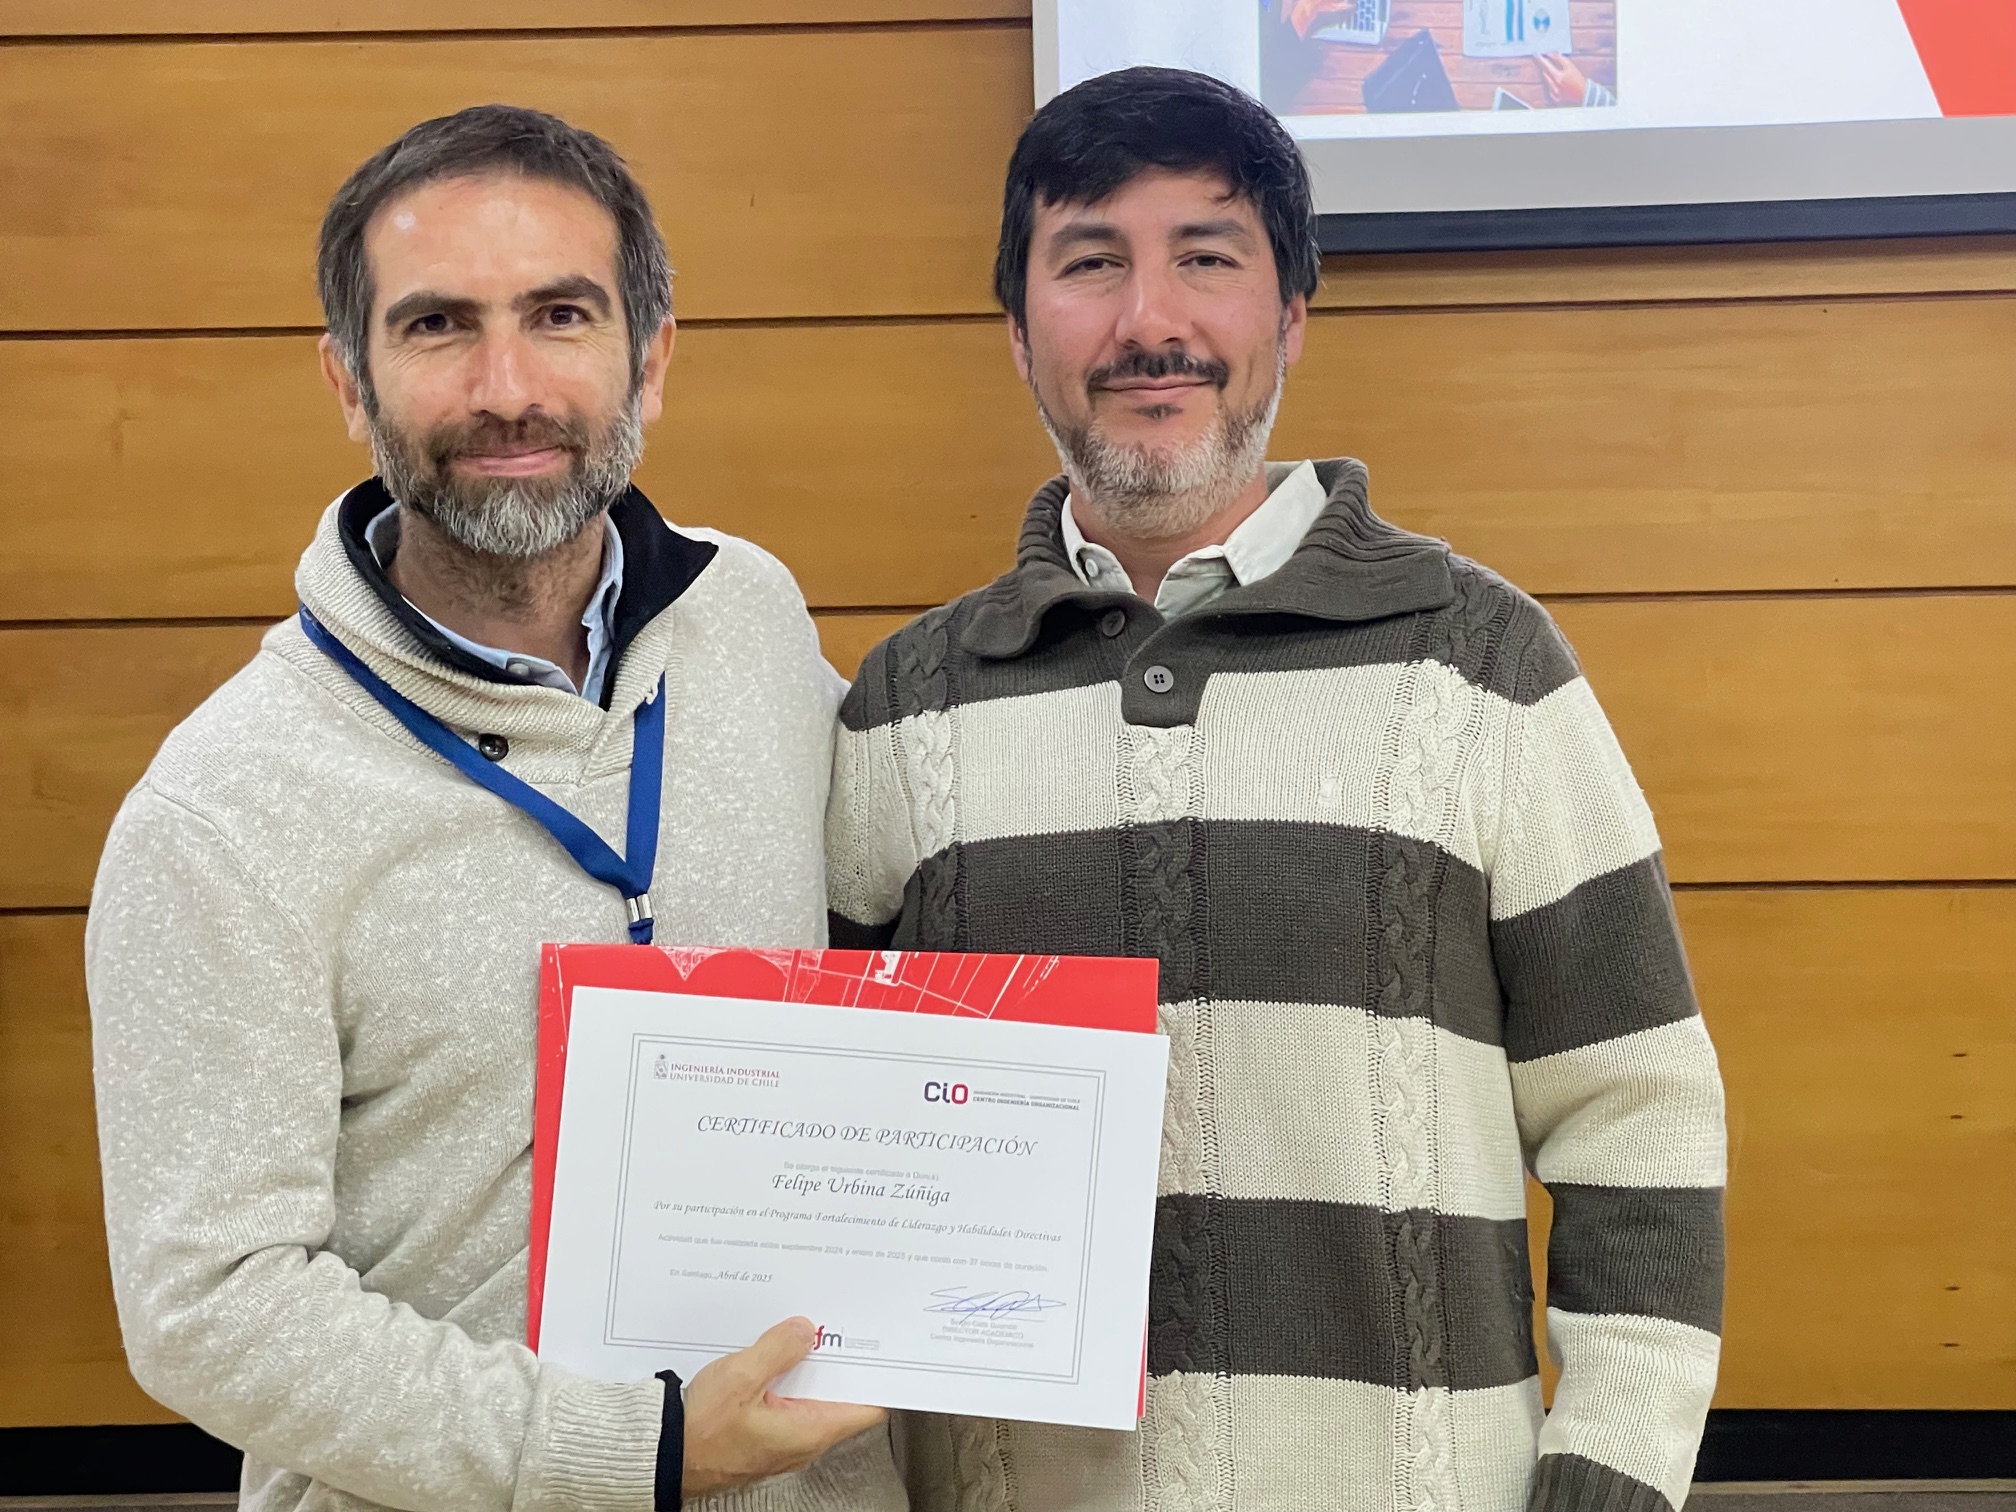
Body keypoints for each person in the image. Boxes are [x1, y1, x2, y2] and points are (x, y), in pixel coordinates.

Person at [828, 66, 1725, 1512]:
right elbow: (836, 1174)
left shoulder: (1483, 664)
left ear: (1292, 314)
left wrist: (1610, 1478)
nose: (1150, 320)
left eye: (1207, 257)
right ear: (1018, 332)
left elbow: (1640, 1109)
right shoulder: (902, 707)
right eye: (1090, 263)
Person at [87, 105, 903, 1512]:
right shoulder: (223, 810)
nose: (507, 386)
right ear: (351, 382)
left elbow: (894, 903)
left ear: (651, 358)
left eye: (560, 316)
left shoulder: (749, 622)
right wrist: (639, 1452)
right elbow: (208, 1306)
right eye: (437, 326)